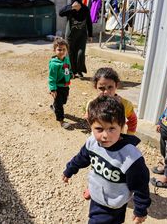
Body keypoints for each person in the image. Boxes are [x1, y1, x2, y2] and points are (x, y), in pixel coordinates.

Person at [62, 95, 151, 224]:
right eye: (99, 129)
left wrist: (140, 210)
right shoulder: (92, 143)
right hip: (98, 195)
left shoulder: (130, 158)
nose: (105, 135)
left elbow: (140, 186)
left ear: (121, 126)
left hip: (112, 204)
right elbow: (82, 157)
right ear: (90, 125)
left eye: (111, 129)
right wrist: (70, 169)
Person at [84, 67, 137, 135]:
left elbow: (133, 120)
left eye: (110, 87)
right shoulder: (92, 104)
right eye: (101, 88)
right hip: (99, 140)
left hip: (117, 142)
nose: (106, 92)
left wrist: (130, 136)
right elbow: (89, 119)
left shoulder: (125, 104)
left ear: (116, 85)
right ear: (95, 86)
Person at [59, 0, 93, 78]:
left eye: (78, 3)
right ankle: (72, 71)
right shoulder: (70, 9)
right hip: (70, 35)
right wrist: (72, 7)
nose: (76, 4)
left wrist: (90, 34)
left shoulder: (85, 9)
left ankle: (79, 70)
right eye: (74, 3)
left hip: (82, 35)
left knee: (80, 53)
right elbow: (60, 13)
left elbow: (89, 22)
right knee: (70, 53)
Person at [48, 38, 73, 129]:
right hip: (57, 87)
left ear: (67, 50)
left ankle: (54, 106)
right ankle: (61, 121)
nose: (61, 51)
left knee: (63, 101)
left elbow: (69, 69)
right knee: (59, 105)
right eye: (59, 49)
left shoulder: (66, 59)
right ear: (55, 50)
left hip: (65, 86)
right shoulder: (54, 64)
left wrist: (71, 74)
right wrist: (53, 89)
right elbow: (51, 78)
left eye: (64, 49)